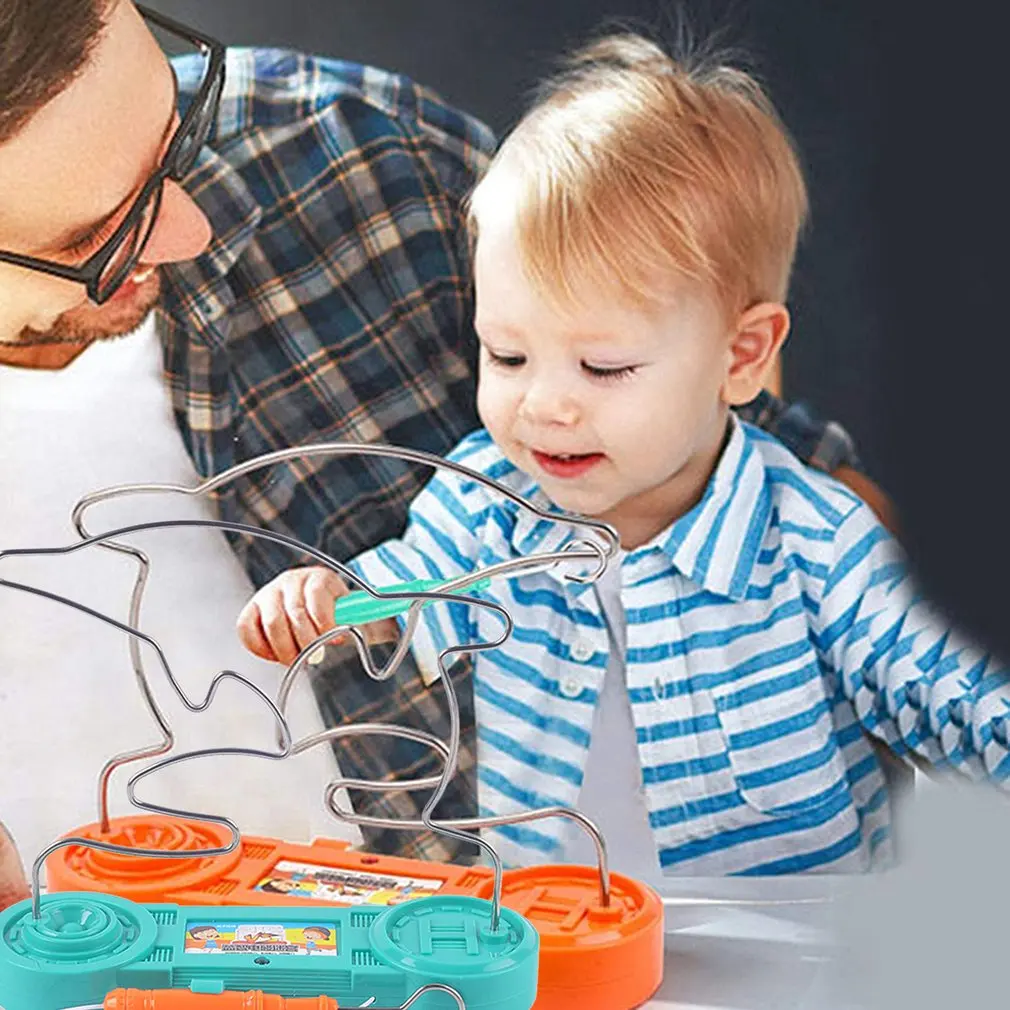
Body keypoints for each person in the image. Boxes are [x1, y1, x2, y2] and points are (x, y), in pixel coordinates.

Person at [0, 0, 872, 886]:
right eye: (94, 236)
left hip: (523, 925)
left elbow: (752, 443)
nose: (190, 229)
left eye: (174, 136)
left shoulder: (353, 157)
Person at [238, 32, 1010, 882]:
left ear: (742, 357)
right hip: (561, 929)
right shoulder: (485, 503)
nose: (544, 405)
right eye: (507, 355)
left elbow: (955, 693)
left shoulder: (818, 543)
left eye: (603, 367)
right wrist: (328, 601)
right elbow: (403, 592)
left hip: (786, 945)